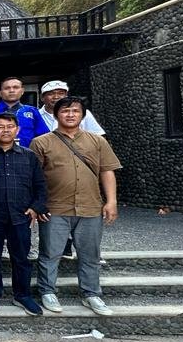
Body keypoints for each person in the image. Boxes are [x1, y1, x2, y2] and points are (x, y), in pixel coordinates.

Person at [31, 96, 122, 316]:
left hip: (90, 206)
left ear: (82, 115)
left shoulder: (97, 141)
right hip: (55, 207)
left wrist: (111, 201)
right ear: (56, 115)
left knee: (89, 253)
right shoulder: (41, 142)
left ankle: (91, 294)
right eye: (65, 111)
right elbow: (34, 178)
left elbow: (107, 171)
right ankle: (47, 291)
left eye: (75, 111)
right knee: (50, 253)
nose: (70, 115)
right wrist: (38, 205)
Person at [0, 112, 47, 316]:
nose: (5, 130)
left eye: (10, 127)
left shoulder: (29, 156)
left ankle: (23, 295)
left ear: (17, 130)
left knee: (21, 258)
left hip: (21, 215)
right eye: (0, 127)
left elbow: (40, 185)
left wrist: (36, 207)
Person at [0, 76, 49, 147]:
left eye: (16, 87)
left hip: (28, 152)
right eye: (7, 88)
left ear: (22, 91)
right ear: (0, 93)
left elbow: (44, 137)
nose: (11, 90)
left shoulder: (32, 111)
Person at [39, 80, 105, 134]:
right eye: (51, 94)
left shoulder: (83, 113)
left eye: (61, 93)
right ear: (42, 97)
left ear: (66, 96)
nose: (56, 97)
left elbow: (98, 136)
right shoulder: (36, 115)